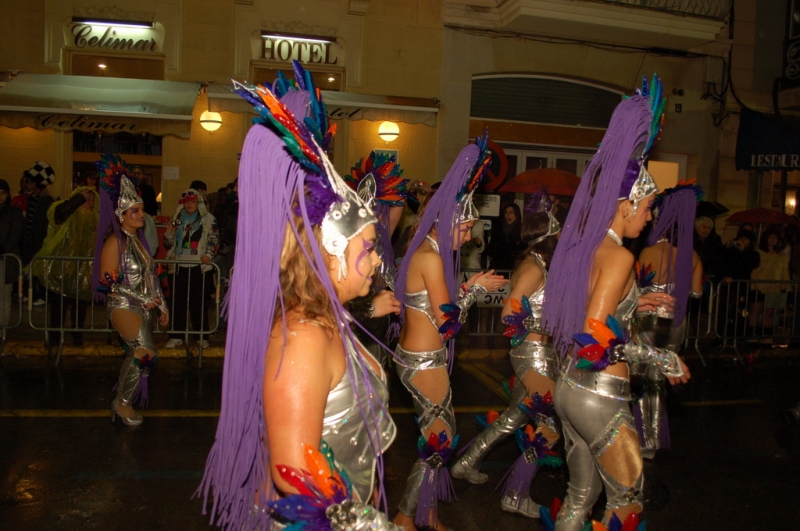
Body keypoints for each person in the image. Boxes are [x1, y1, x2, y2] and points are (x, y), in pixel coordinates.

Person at [198, 64, 400, 531]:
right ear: (329, 252)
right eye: (367, 249)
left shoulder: (330, 318)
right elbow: (296, 478)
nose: (375, 262)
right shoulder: (305, 335)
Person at [542, 77, 690, 529]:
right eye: (647, 208)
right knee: (626, 504)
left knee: (579, 495)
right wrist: (659, 355)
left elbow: (595, 307)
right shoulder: (621, 255)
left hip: (569, 388)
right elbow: (596, 338)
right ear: (625, 205)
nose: (649, 220)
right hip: (599, 396)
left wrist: (637, 301)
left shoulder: (582, 249)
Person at [392, 134, 508, 531]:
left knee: (438, 438)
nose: (468, 237)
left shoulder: (423, 251)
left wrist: (468, 287)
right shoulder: (429, 256)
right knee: (438, 442)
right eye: (464, 229)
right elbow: (448, 320)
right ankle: (406, 516)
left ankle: (427, 511)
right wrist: (476, 289)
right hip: (424, 362)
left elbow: (436, 304)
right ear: (446, 222)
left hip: (420, 358)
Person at [451, 188, 562, 518]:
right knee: (549, 426)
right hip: (534, 354)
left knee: (515, 417)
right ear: (550, 240)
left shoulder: (536, 263)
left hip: (534, 352)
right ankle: (515, 494)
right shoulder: (534, 269)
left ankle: (467, 461)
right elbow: (508, 316)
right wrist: (547, 324)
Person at [92, 154, 169, 426]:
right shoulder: (116, 242)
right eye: (133, 211)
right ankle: (122, 403)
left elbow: (151, 276)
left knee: (141, 354)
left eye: (141, 209)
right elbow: (108, 281)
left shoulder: (140, 242)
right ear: (120, 215)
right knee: (144, 349)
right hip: (122, 305)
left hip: (143, 306)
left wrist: (161, 304)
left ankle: (122, 401)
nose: (140, 214)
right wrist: (143, 298)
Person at [633, 182, 704, 459]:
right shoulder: (693, 256)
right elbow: (696, 293)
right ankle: (655, 438)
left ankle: (645, 438)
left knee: (642, 376)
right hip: (677, 323)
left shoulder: (647, 254)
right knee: (661, 378)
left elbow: (638, 290)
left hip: (650, 320)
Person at [31, 185, 100, 346]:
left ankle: (77, 337)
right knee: (58, 304)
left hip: (81, 269)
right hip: (60, 268)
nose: (90, 203)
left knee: (79, 305)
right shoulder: (66, 212)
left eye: (92, 200)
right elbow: (58, 214)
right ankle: (55, 338)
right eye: (86, 199)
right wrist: (77, 199)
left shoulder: (93, 219)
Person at [163, 189, 219, 349]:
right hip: (178, 266)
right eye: (186, 202)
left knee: (199, 302)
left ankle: (201, 336)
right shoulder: (177, 220)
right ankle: (176, 335)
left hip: (200, 267)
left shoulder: (209, 219)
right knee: (177, 302)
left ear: (199, 203)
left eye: (192, 202)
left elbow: (214, 239)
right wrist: (168, 234)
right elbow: (169, 242)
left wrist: (208, 255)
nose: (189, 205)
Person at [21, 161, 56, 306]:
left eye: (29, 182)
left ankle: (41, 295)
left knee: (40, 269)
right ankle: (32, 294)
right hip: (30, 240)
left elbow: (42, 224)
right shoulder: (33, 198)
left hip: (39, 241)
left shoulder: (45, 199)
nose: (26, 184)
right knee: (30, 268)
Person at [749, 227, 791, 335]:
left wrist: (786, 287)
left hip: (774, 288)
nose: (772, 239)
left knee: (770, 313)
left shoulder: (781, 255)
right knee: (756, 312)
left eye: (775, 237)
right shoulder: (758, 252)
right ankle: (752, 336)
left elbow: (784, 272)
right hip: (759, 287)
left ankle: (765, 337)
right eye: (770, 236)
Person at [0, 179, 24, 328]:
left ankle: (3, 329)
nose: (0, 196)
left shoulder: (14, 212)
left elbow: (17, 233)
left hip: (6, 259)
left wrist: (4, 248)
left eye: (3, 193)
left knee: (4, 298)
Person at [485, 202, 526, 271]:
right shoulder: (498, 229)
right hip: (497, 268)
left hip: (514, 268)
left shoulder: (522, 230)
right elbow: (491, 248)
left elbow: (523, 250)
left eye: (511, 212)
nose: (508, 215)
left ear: (516, 214)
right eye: (506, 212)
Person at [692, 216, 722, 280]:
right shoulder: (689, 239)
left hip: (708, 275)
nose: (707, 230)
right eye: (704, 227)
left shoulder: (715, 241)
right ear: (696, 227)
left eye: (709, 228)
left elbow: (719, 258)